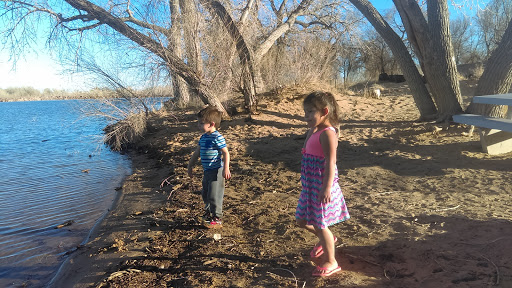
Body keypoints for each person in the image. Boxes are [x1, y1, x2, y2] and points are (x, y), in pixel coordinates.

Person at [295, 91, 350, 277]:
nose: (306, 116)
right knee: (301, 221)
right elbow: (306, 148)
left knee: (320, 224)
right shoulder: (314, 129)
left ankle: (331, 261)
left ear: (324, 111)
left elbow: (330, 162)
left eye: (310, 112)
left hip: (320, 186)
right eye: (305, 112)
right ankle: (327, 239)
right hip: (309, 186)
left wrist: (326, 188)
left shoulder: (328, 134)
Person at [188, 106, 231, 229]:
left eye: (201, 123)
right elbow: (197, 153)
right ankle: (208, 214)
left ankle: (217, 218)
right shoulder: (203, 137)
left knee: (214, 194)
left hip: (217, 170)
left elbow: (226, 152)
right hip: (207, 171)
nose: (198, 126)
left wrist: (226, 168)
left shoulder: (217, 137)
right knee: (205, 193)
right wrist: (190, 165)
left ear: (212, 124)